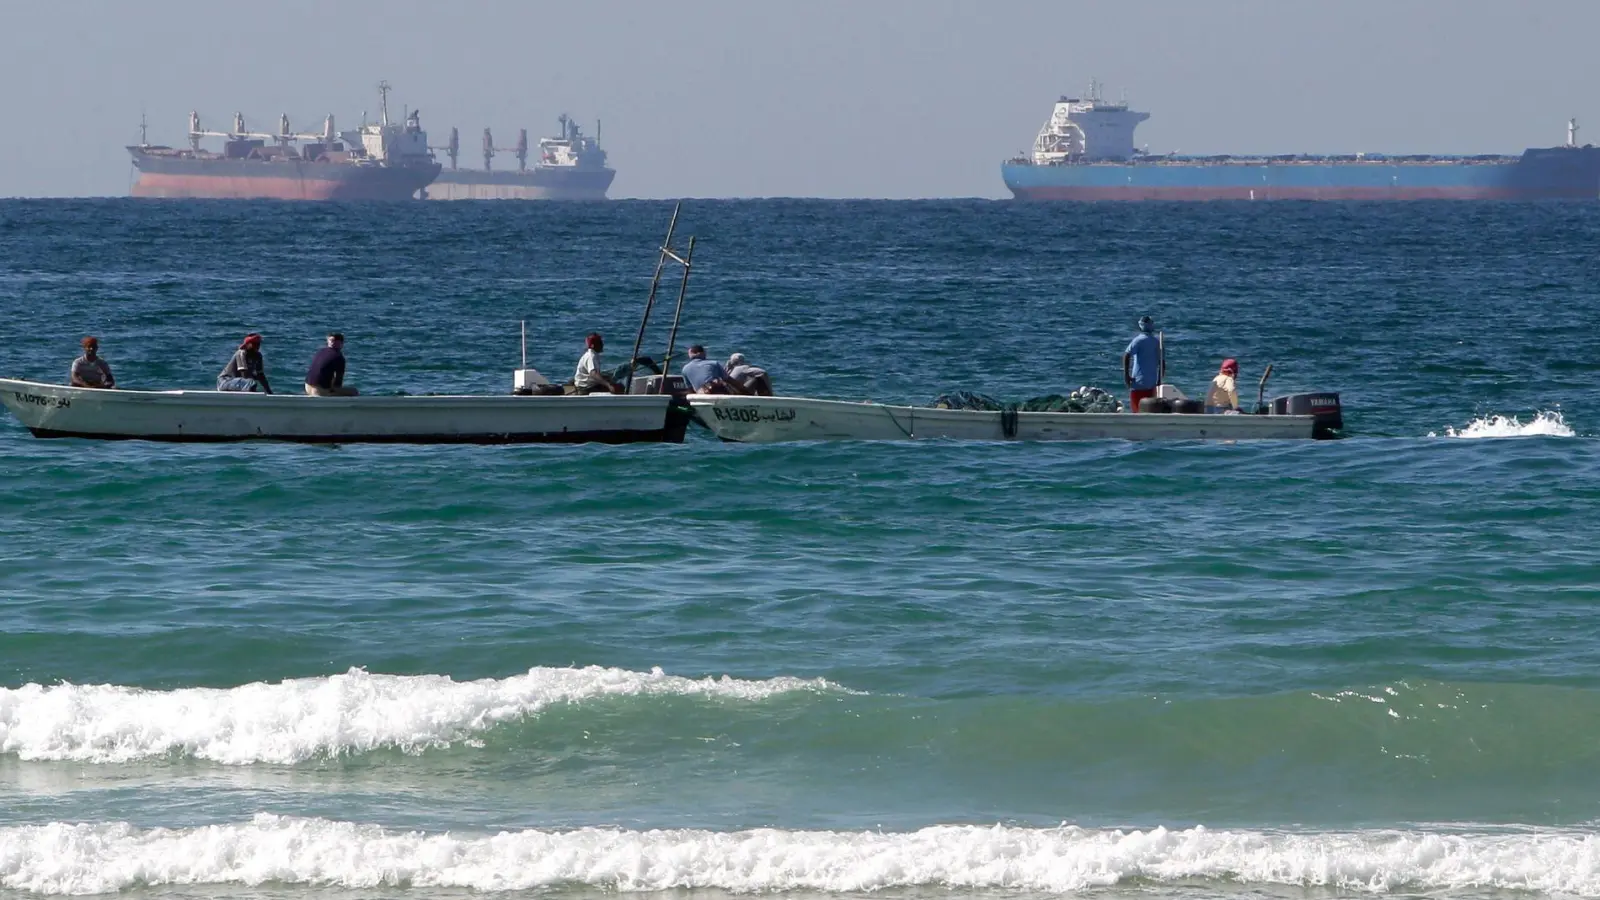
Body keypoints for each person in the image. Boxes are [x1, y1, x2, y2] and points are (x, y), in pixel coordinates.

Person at [1122, 316, 1161, 412]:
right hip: (1152, 383)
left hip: (1138, 383)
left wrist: (1126, 375)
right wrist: (1159, 379)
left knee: (1137, 411)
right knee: (1149, 411)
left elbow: (1126, 355)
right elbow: (1162, 362)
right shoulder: (1157, 342)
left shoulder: (1138, 340)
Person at [304, 332, 358, 396]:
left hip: (307, 387)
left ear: (328, 341)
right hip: (319, 392)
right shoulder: (338, 357)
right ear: (342, 343)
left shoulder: (321, 351)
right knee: (354, 391)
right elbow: (338, 382)